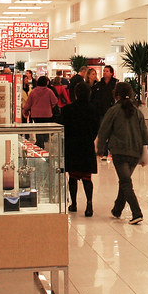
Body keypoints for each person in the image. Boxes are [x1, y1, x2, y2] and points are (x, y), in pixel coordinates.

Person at [96, 81, 148, 225]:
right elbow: (145, 133)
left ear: (116, 94)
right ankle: (117, 210)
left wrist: (100, 149)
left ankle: (136, 212)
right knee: (124, 181)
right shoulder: (137, 112)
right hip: (135, 152)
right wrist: (146, 153)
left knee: (125, 182)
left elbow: (104, 131)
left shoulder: (113, 110)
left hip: (119, 151)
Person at [60, 83, 101, 216]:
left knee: (72, 176)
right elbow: (96, 128)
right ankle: (89, 204)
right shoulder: (93, 109)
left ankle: (74, 203)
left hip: (72, 145)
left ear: (76, 94)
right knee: (86, 176)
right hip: (86, 145)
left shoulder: (68, 109)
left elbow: (61, 126)